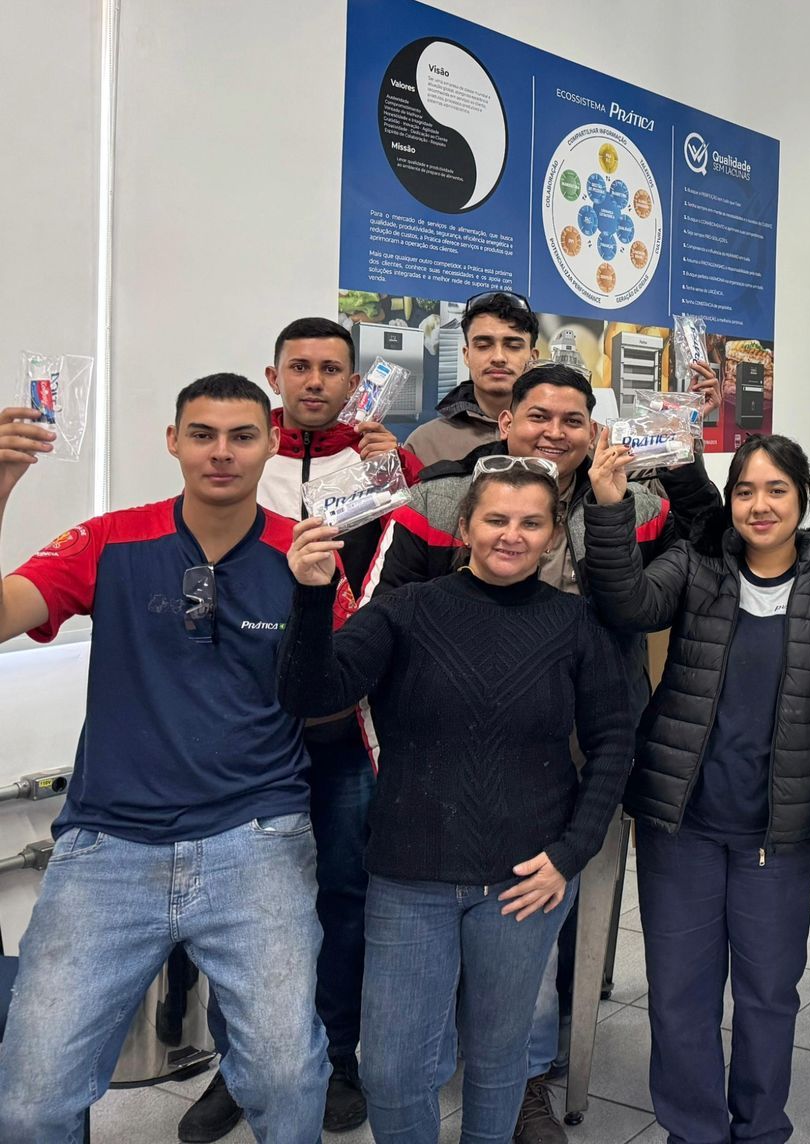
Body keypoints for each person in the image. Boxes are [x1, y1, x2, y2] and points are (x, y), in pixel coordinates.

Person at [366, 359, 720, 1142]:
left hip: (593, 743)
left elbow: (712, 538)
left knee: (544, 914)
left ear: (594, 430)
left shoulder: (627, 499)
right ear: (505, 423)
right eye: (537, 417)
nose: (553, 433)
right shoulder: (441, 500)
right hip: (458, 755)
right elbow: (387, 620)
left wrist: (686, 443)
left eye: (572, 420)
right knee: (455, 933)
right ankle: (495, 1064)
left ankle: (525, 1076)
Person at [0, 375, 350, 1142]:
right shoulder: (109, 541)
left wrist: (316, 599)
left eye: (241, 436)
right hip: (108, 843)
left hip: (255, 836)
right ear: (172, 440)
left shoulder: (307, 553)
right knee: (28, 1102)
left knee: (291, 1078)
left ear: (272, 445)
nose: (220, 453)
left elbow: (331, 694)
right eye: (201, 434)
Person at [279, 461, 634, 1143]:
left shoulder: (574, 624)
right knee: (391, 1068)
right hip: (411, 875)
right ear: (464, 526)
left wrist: (571, 854)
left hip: (526, 882)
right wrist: (311, 598)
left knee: (501, 1060)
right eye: (496, 519)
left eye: (531, 523)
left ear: (553, 534)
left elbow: (614, 742)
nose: (512, 535)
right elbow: (310, 694)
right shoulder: (407, 610)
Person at [584, 434, 810, 1144]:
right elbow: (627, 602)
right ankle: (694, 1130)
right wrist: (610, 506)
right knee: (680, 996)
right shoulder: (696, 566)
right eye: (745, 490)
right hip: (679, 823)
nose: (759, 505)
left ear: (803, 498)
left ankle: (760, 1129)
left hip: (778, 833)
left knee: (769, 994)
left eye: (777, 490)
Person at [178, 315, 423, 1140]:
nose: (315, 381)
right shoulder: (242, 459)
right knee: (237, 901)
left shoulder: (387, 464)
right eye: (300, 367)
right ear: (274, 374)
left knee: (346, 897)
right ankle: (237, 1066)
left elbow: (400, 585)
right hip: (251, 723)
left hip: (349, 723)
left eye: (332, 369)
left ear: (355, 380)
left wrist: (400, 474)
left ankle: (338, 1058)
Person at [405, 290, 540, 467]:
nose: (498, 357)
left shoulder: (556, 440)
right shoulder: (424, 443)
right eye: (483, 345)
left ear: (533, 358)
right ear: (467, 355)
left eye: (513, 346)